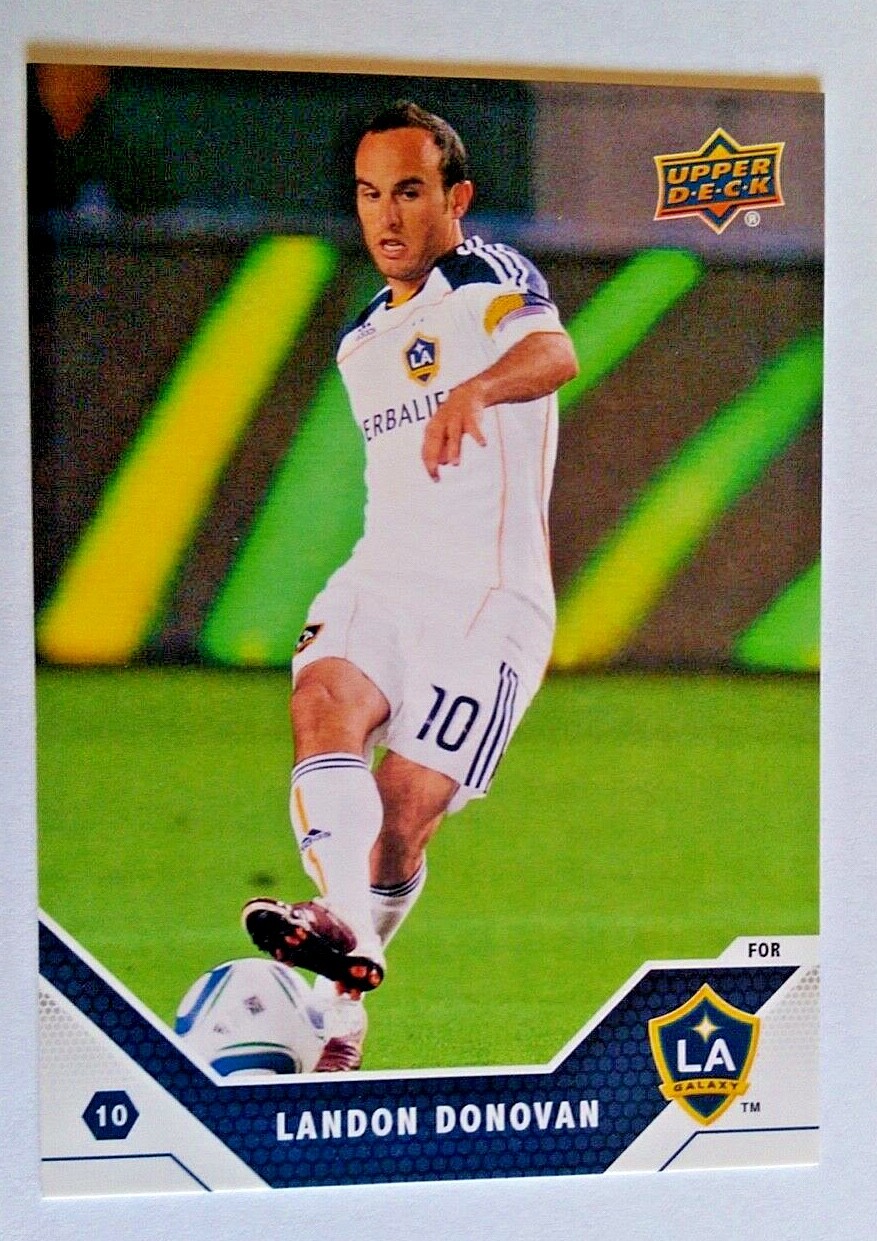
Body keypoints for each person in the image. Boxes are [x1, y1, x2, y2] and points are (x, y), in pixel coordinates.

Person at [243, 100, 579, 1071]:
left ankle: (338, 1001)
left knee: (400, 820)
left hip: (489, 602)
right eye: (367, 195)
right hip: (385, 574)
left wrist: (476, 387)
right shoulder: (358, 343)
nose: (385, 217)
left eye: (407, 192)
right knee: (321, 699)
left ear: (454, 198)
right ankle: (345, 933)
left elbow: (555, 352)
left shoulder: (486, 275)